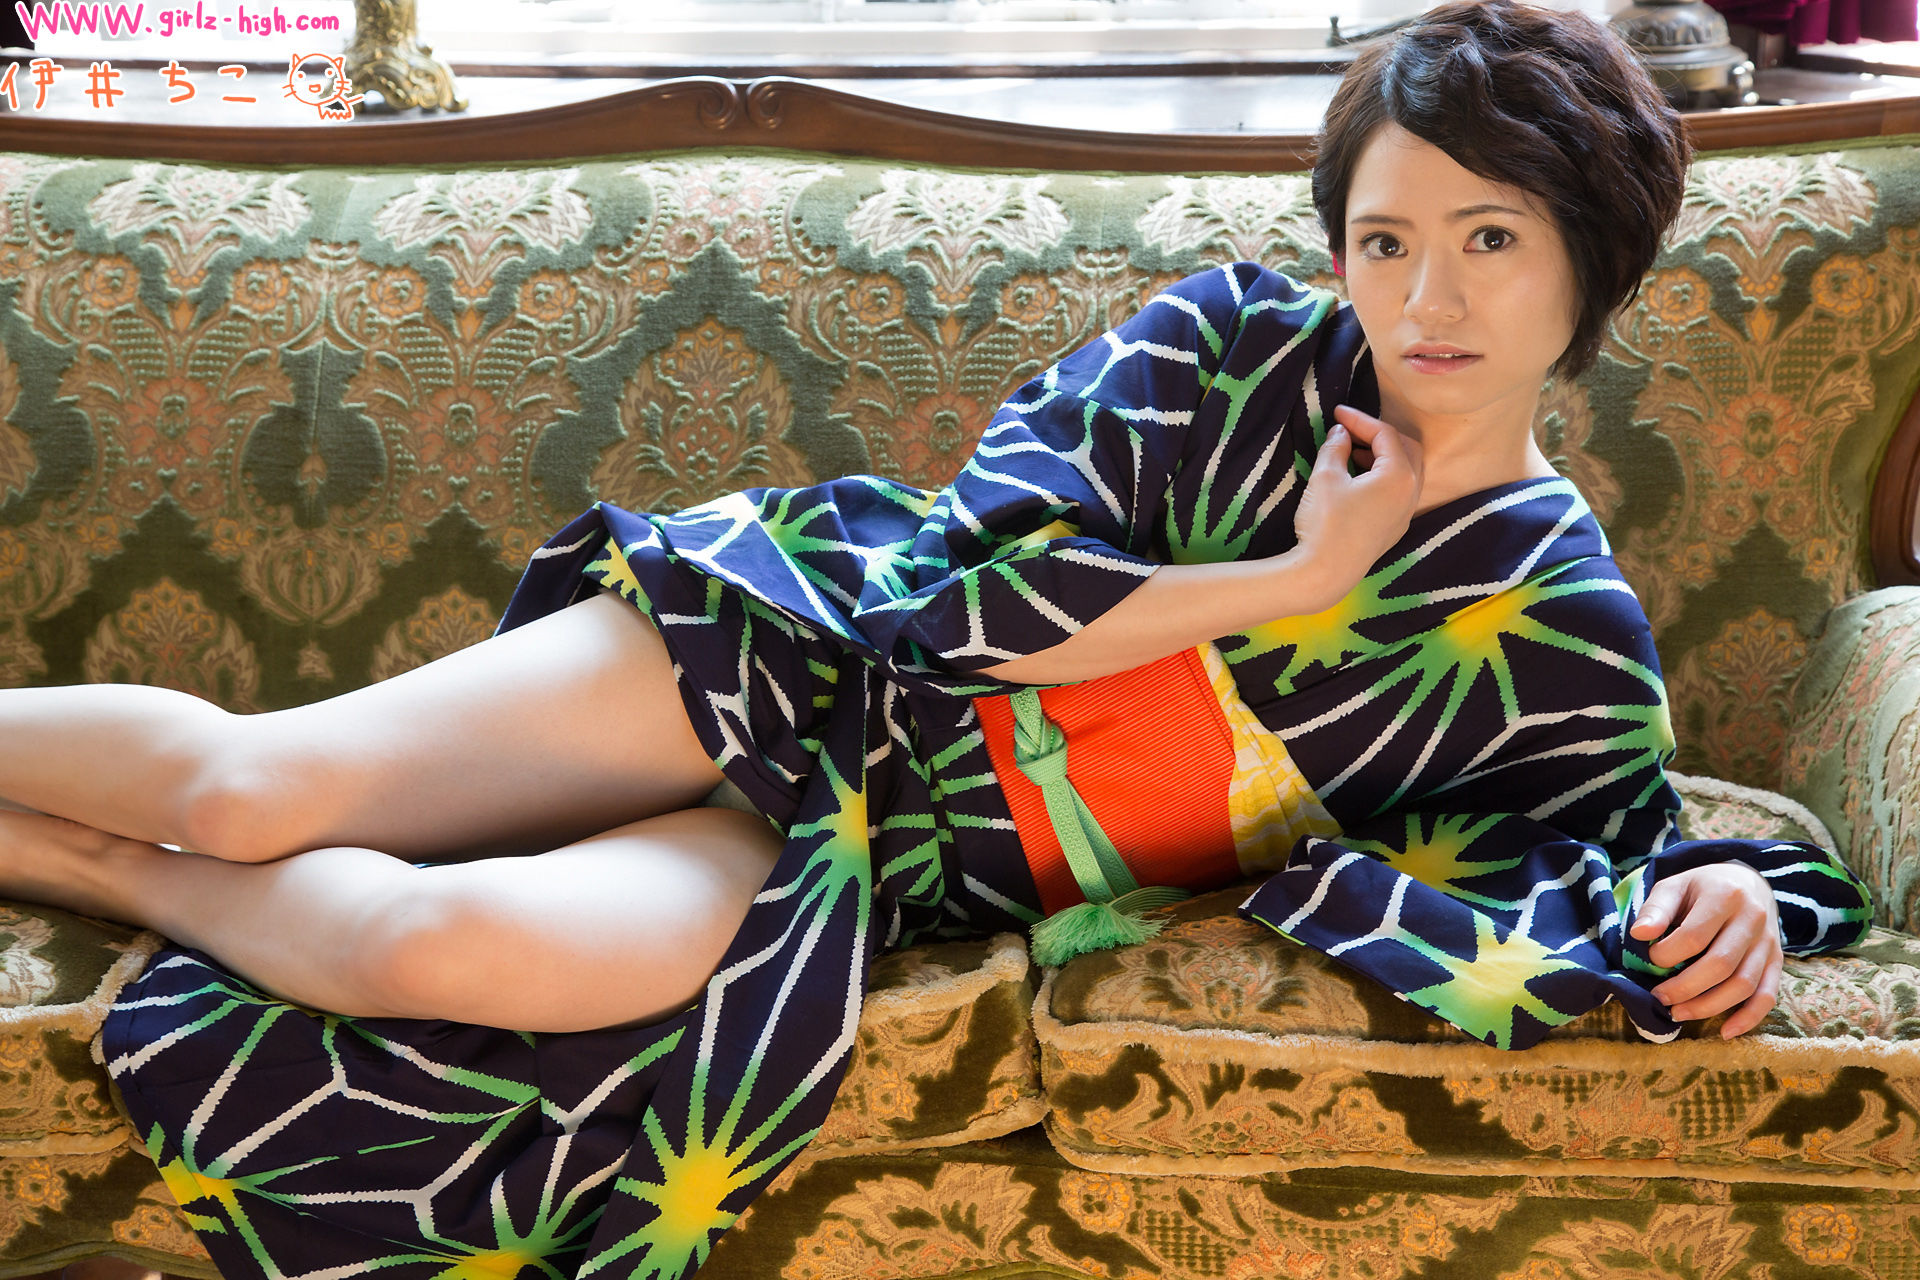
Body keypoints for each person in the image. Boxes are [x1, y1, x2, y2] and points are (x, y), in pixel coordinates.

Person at [0, 0, 1871, 1275]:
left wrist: (1722, 906)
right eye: (1384, 240)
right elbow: (960, 606)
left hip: (876, 858)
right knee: (247, 793)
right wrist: (1290, 578)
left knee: (440, 946)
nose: (1426, 293)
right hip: (797, 655)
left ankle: (86, 868)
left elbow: (1629, 850)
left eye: (1492, 239)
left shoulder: (1564, 628)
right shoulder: (1228, 345)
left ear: (1594, 261)